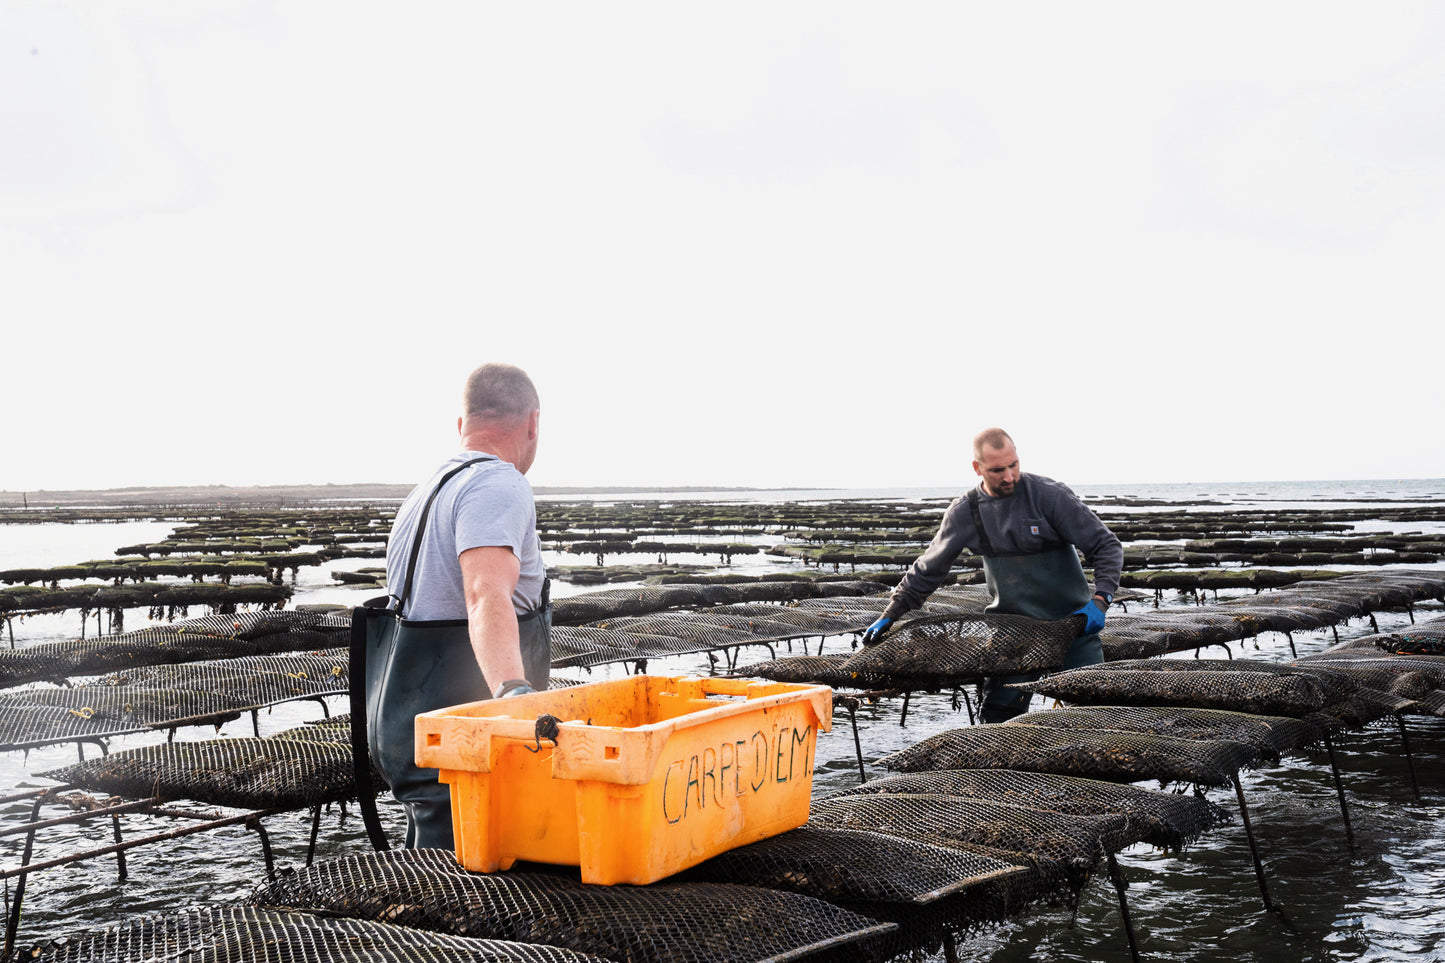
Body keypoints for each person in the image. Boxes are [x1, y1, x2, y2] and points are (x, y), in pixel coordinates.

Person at [366, 362, 552, 849]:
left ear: (461, 426)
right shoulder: (498, 484)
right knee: (469, 878)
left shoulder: (425, 491)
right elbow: (485, 592)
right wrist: (513, 694)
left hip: (404, 727)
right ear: (533, 423)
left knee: (428, 857)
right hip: (462, 738)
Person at [860, 428, 1122, 724]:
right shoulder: (966, 512)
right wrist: (891, 612)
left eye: (1014, 465)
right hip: (1012, 633)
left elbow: (1106, 545)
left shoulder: (1050, 496)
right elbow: (928, 570)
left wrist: (1101, 600)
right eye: (998, 470)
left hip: (1075, 627)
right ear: (978, 468)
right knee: (998, 718)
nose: (1009, 476)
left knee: (1094, 715)